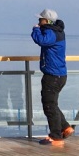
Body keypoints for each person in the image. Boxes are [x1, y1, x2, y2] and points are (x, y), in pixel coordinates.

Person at [31, 9, 73, 146]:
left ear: (47, 21)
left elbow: (41, 41)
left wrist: (36, 29)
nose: (38, 21)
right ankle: (65, 127)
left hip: (52, 75)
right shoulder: (59, 31)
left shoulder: (50, 33)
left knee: (49, 105)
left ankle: (55, 136)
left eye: (40, 20)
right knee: (52, 104)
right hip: (60, 74)